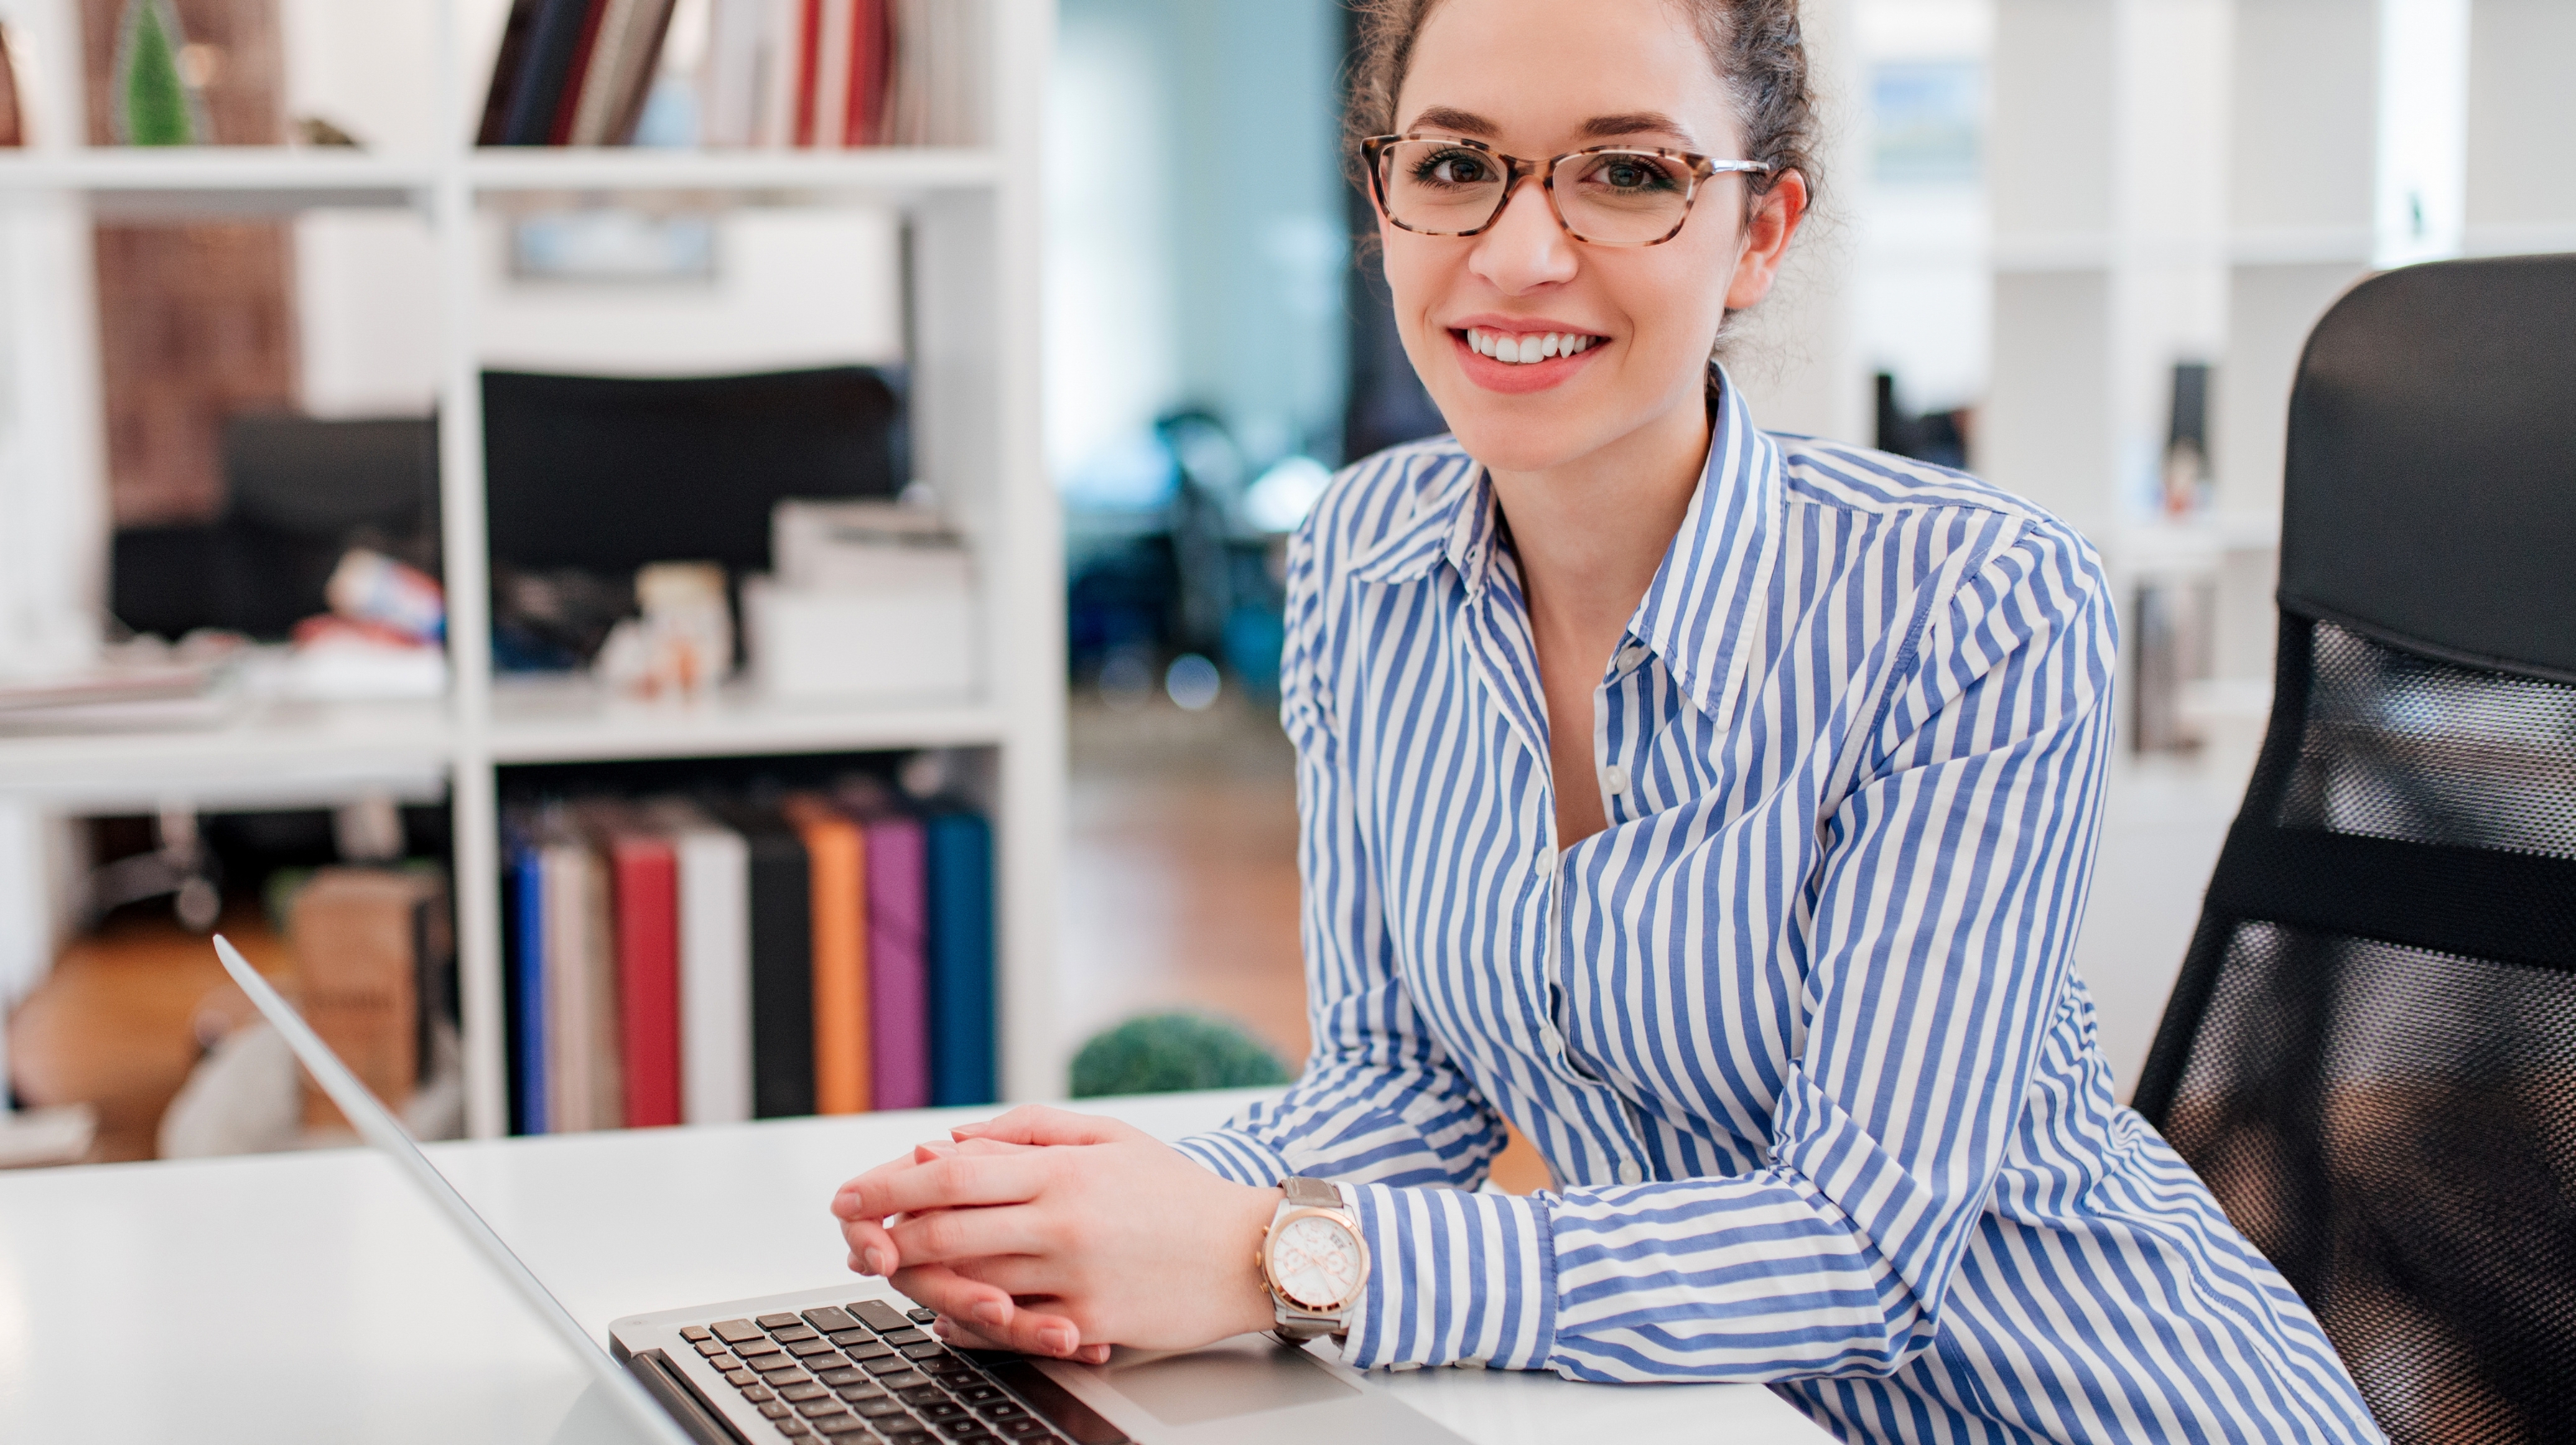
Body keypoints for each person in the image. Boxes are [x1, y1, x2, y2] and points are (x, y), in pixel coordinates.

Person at [831, 0, 2385, 1438]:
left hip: (2095, 1405)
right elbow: (1402, 1081)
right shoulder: (1363, 564)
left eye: (1627, 175)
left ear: (1758, 230)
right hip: (1701, 1413)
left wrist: (1275, 1256)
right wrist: (1085, 1221)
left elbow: (1855, 1249)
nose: (1515, 254)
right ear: (1386, 209)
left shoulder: (1968, 601)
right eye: (1453, 165)